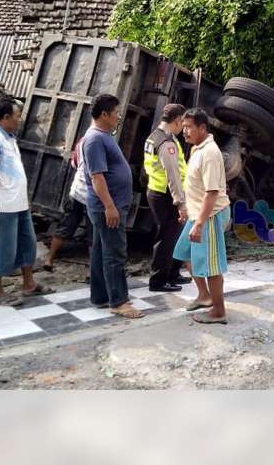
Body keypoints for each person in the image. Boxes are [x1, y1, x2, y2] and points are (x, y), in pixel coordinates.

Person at [0, 98, 52, 305]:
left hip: (18, 203)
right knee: (2, 249)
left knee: (28, 245)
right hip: (3, 205)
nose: (20, 119)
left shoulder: (9, 137)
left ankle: (29, 284)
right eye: (17, 116)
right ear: (6, 117)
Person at [81, 94, 143, 319]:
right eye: (116, 112)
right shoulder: (95, 139)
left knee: (100, 251)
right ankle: (118, 301)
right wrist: (109, 206)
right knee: (115, 253)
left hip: (110, 204)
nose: (119, 116)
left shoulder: (102, 136)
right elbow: (97, 177)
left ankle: (100, 295)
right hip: (107, 206)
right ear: (104, 114)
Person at [173, 108, 232, 323]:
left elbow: (212, 193)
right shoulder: (197, 147)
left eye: (189, 127)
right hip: (197, 214)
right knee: (185, 252)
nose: (184, 132)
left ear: (202, 128)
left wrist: (198, 223)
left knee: (211, 266)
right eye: (184, 127)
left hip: (211, 216)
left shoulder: (210, 153)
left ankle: (219, 312)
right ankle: (204, 296)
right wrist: (188, 212)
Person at [143, 103, 191, 292]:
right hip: (166, 194)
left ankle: (172, 273)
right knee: (166, 238)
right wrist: (181, 203)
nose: (184, 128)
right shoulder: (167, 143)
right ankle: (159, 281)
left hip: (157, 191)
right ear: (178, 120)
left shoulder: (155, 136)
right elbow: (173, 175)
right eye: (183, 123)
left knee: (173, 236)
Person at [46, 135, 92, 271]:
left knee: (65, 226)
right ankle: (92, 270)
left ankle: (49, 259)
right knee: (94, 234)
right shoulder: (102, 141)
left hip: (77, 191)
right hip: (92, 195)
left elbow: (74, 164)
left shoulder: (82, 141)